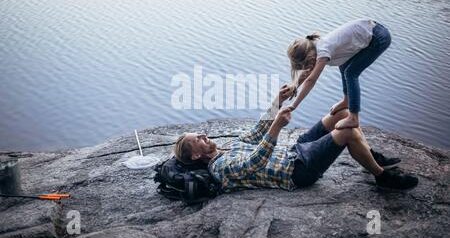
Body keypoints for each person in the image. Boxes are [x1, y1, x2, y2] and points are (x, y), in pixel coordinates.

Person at [173, 85, 418, 193]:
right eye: (199, 139)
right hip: (298, 169)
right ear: (196, 155)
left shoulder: (229, 147)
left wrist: (276, 103)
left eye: (201, 134)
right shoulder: (221, 169)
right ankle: (381, 176)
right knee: (348, 131)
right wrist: (278, 126)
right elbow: (254, 163)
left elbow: (258, 130)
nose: (205, 135)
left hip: (295, 150)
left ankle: (368, 155)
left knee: (341, 114)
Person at [287, 18, 391, 129]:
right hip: (372, 30)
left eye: (308, 63)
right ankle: (347, 100)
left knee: (351, 73)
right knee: (344, 66)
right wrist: (295, 85)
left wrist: (294, 105)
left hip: (377, 37)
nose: (309, 66)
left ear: (309, 56)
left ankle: (353, 117)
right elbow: (308, 74)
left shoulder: (323, 51)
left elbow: (311, 80)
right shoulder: (312, 46)